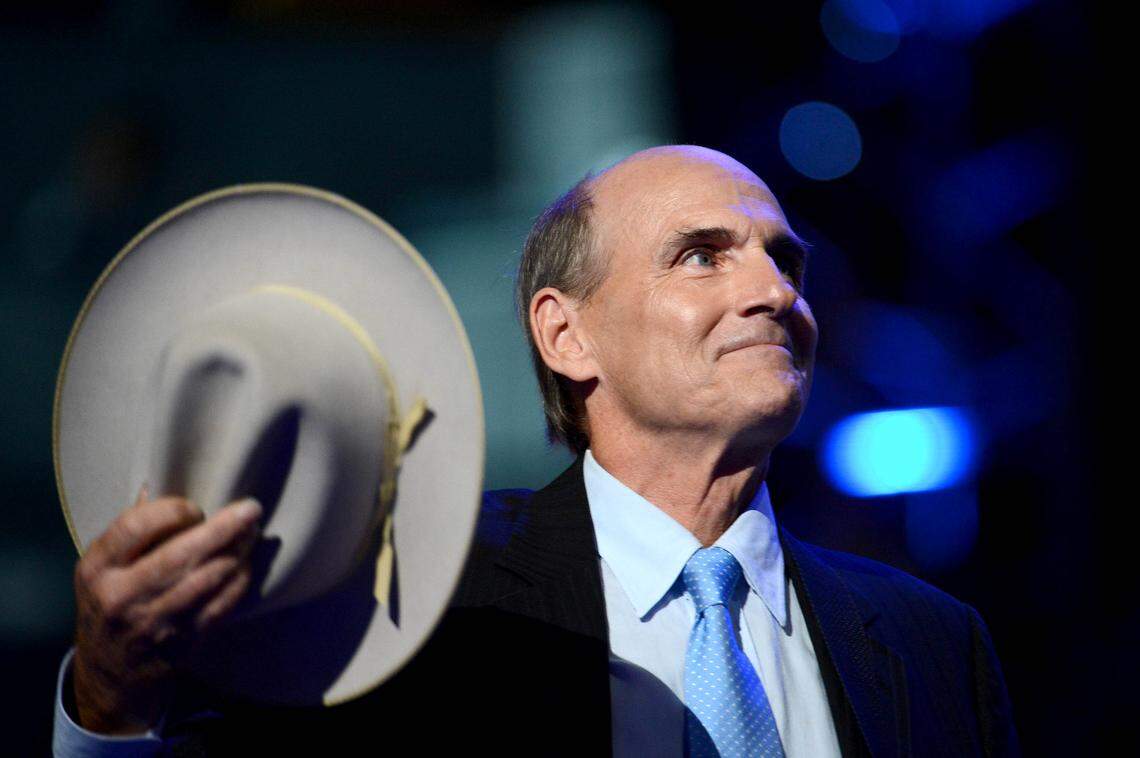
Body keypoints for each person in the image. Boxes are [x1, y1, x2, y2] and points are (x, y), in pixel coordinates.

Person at [54, 145, 1020, 756]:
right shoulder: (413, 595)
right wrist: (109, 695)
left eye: (785, 259)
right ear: (566, 337)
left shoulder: (934, 643)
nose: (774, 292)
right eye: (702, 254)